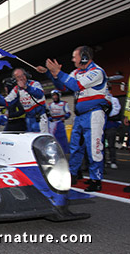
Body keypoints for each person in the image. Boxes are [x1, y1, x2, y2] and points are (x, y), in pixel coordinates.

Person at [36, 46, 109, 192]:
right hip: (80, 116)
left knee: (94, 148)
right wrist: (52, 74)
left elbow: (76, 86)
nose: (72, 60)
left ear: (84, 57)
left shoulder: (96, 72)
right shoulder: (76, 72)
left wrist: (58, 72)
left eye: (74, 57)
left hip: (94, 114)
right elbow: (62, 87)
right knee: (75, 147)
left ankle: (96, 179)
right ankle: (74, 174)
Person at [0, 68, 48, 133]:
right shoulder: (16, 89)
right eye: (18, 77)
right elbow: (7, 102)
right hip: (29, 119)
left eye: (23, 75)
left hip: (40, 118)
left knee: (40, 139)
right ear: (15, 79)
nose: (21, 78)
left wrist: (26, 87)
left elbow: (39, 94)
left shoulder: (34, 84)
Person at [48, 89, 71, 154]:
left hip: (60, 123)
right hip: (52, 124)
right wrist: (51, 119)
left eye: (56, 95)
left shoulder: (64, 103)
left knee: (62, 138)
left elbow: (68, 113)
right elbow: (48, 114)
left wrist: (64, 118)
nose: (54, 97)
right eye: (53, 96)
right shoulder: (50, 104)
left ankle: (65, 151)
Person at [104, 86, 121, 169]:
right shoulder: (101, 99)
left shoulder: (114, 100)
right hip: (102, 125)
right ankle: (103, 161)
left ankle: (113, 161)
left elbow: (116, 110)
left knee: (111, 144)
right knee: (101, 145)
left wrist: (107, 115)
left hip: (111, 124)